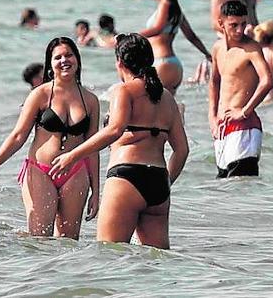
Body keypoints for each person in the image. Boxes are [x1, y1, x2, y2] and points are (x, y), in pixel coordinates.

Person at [48, 34, 188, 249]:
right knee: (157, 264)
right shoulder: (167, 97)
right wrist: (167, 183)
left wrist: (72, 156)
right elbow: (182, 150)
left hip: (127, 178)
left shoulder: (123, 90)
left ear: (120, 62)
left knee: (108, 256)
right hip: (159, 183)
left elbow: (115, 130)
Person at [0, 38, 100, 238]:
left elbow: (92, 148)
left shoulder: (91, 100)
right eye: (57, 57)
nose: (64, 60)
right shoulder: (40, 94)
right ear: (50, 64)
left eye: (69, 55)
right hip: (40, 170)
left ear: (77, 59)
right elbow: (18, 135)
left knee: (69, 243)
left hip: (76, 172)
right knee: (39, 240)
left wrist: (96, 192)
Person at [208, 0, 273, 178]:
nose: (240, 30)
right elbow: (214, 81)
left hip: (245, 126)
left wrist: (245, 111)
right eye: (234, 25)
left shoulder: (251, 48)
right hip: (222, 127)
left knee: (241, 187)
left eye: (243, 24)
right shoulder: (217, 48)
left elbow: (267, 80)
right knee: (223, 187)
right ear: (221, 23)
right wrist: (212, 116)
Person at [138, 0, 211, 92]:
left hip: (161, 63)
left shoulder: (165, 4)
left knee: (151, 107)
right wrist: (207, 54)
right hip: (174, 65)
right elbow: (191, 36)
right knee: (169, 109)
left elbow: (158, 29)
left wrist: (130, 36)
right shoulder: (175, 9)